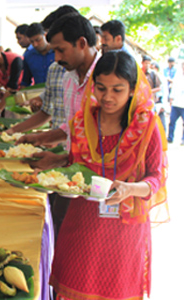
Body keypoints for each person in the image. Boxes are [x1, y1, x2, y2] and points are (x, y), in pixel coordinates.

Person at [50, 50, 167, 300]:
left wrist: (130, 189)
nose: (107, 97)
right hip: (82, 224)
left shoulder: (147, 127)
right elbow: (77, 169)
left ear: (133, 89)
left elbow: (156, 178)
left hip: (124, 233)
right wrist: (58, 163)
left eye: (117, 89)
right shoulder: (82, 123)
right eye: (101, 88)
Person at [17, 13, 100, 170]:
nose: (56, 58)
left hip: (100, 180)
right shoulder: (68, 77)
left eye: (61, 50)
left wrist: (61, 160)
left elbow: (108, 138)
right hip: (71, 173)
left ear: (82, 43)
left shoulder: (108, 78)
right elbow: (75, 126)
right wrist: (39, 138)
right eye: (54, 51)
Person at [20, 22, 55, 88]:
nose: (35, 44)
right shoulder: (28, 56)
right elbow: (25, 81)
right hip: (38, 95)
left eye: (38, 40)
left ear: (45, 35)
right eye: (32, 42)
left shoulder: (58, 52)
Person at [167, 61, 184, 145]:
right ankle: (170, 137)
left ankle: (183, 139)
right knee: (172, 122)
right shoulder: (178, 76)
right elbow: (173, 88)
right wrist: (171, 98)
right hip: (176, 103)